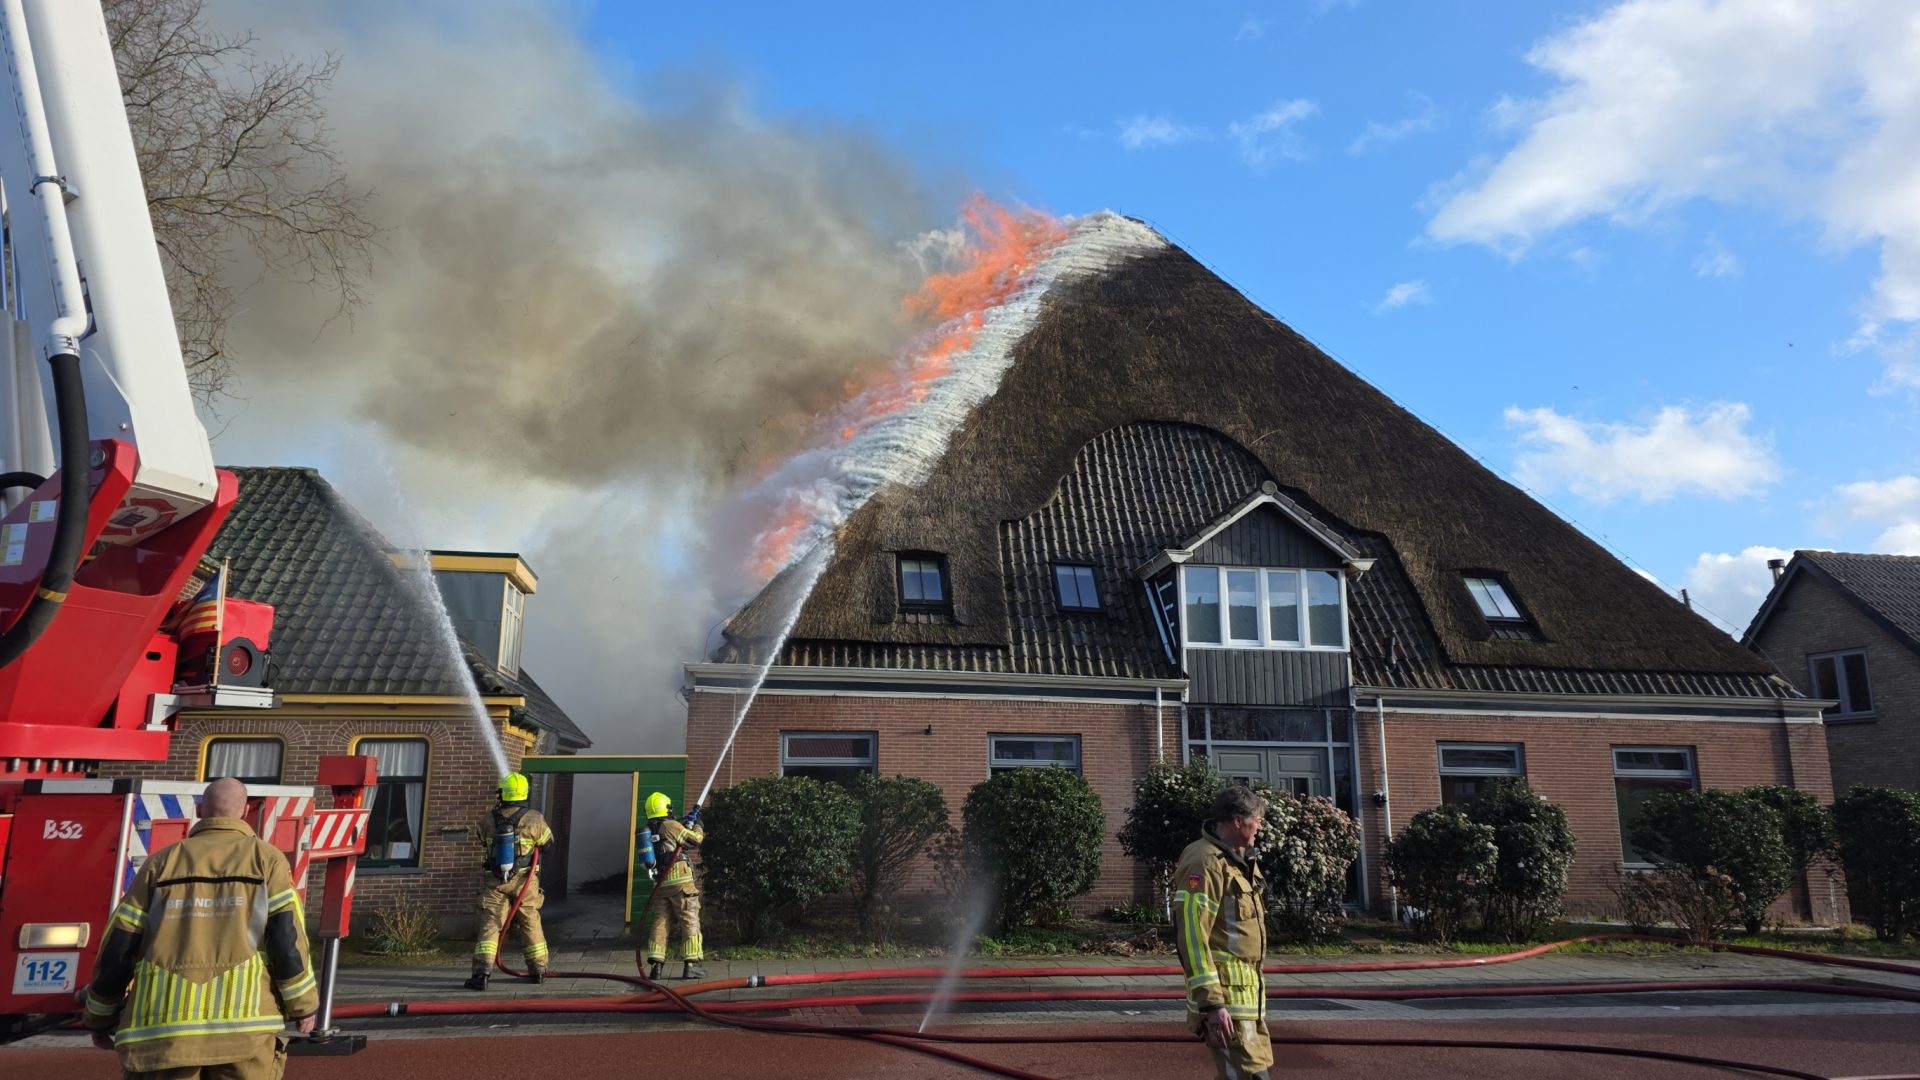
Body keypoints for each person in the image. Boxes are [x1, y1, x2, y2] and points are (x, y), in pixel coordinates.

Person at [80, 777, 318, 1079]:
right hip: (245, 1035)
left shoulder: (160, 864)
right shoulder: (267, 861)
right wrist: (303, 1006)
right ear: (245, 812)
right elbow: (287, 938)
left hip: (162, 1037)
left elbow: (119, 945)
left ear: (199, 809)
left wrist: (99, 1016)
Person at [1173, 785, 1272, 1080]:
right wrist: (1212, 1003)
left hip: (1246, 1003)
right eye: (1257, 820)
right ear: (1238, 821)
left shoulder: (1239, 860)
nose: (1260, 827)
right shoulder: (1205, 862)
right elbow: (1192, 935)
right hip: (1226, 1004)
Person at [465, 772, 553, 991]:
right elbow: (548, 844)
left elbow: (482, 840)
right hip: (525, 881)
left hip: (495, 882)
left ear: (503, 793)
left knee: (491, 923)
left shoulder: (488, 818)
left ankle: (482, 974)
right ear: (524, 793)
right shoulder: (534, 818)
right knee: (530, 921)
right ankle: (538, 971)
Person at [642, 791, 707, 980]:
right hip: (681, 883)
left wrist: (684, 822)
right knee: (689, 919)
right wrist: (698, 825)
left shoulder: (650, 829)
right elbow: (694, 840)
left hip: (661, 884)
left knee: (661, 922)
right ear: (666, 808)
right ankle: (691, 965)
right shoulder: (671, 825)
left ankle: (656, 967)